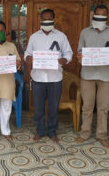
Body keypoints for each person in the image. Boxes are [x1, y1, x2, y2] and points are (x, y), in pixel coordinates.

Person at [75, 4, 109, 148]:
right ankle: (85, 133)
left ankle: (102, 135)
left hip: (106, 75)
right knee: (87, 107)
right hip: (87, 75)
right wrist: (79, 56)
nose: (100, 18)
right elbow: (79, 51)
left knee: (103, 108)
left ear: (107, 17)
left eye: (103, 15)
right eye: (97, 15)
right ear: (93, 16)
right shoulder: (85, 32)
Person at [24, 9, 73, 143]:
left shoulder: (61, 36)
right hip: (38, 78)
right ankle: (40, 131)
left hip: (55, 78)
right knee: (38, 107)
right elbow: (27, 54)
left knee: (53, 107)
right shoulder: (34, 37)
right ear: (40, 20)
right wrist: (28, 58)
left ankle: (52, 131)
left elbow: (69, 53)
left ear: (54, 20)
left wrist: (64, 59)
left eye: (49, 19)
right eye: (44, 19)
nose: (46, 21)